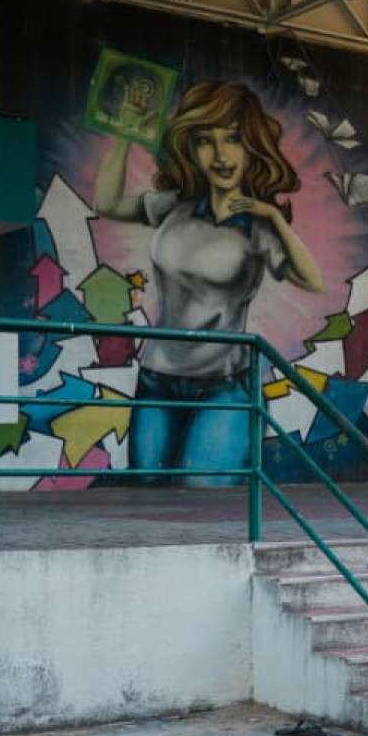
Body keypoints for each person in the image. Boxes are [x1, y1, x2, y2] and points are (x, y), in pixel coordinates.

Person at [93, 80, 325, 486]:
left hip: (224, 388)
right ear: (191, 148)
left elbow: (313, 280)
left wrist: (273, 217)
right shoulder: (176, 206)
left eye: (232, 139)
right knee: (148, 497)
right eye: (205, 141)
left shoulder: (257, 227)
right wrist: (125, 133)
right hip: (156, 379)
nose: (220, 155)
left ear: (251, 146)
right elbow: (107, 204)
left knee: (204, 500)